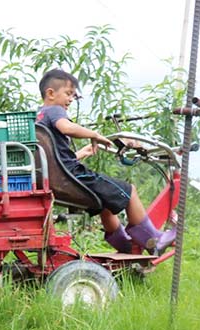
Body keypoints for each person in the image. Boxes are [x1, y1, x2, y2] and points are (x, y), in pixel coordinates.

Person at [36, 69, 176, 254]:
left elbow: (56, 160)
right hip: (74, 176)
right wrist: (95, 134)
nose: (71, 99)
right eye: (68, 94)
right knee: (129, 191)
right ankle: (154, 240)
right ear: (51, 93)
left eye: (73, 95)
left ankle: (125, 245)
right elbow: (66, 127)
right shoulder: (54, 111)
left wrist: (81, 152)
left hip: (61, 176)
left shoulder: (38, 116)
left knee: (106, 203)